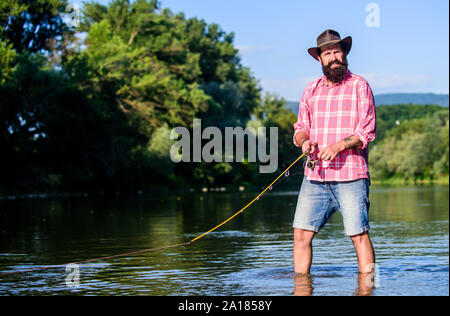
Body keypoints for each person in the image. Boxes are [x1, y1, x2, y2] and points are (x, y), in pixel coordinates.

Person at [292, 29, 376, 275]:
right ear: (319, 59)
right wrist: (305, 142)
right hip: (315, 177)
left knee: (358, 235)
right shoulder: (311, 89)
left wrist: (338, 146)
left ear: (345, 53)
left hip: (351, 175)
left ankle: (367, 290)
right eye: (327, 53)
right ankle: (301, 288)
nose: (333, 57)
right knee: (300, 235)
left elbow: (366, 130)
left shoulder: (359, 85)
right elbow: (300, 128)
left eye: (337, 51)